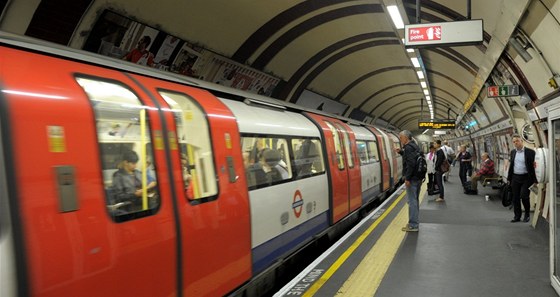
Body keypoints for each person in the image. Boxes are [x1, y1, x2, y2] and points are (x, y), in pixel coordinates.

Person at [507, 134, 537, 223]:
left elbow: (534, 167)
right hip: (515, 177)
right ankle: (517, 216)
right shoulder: (513, 152)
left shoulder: (530, 152)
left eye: (517, 141)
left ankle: (527, 214)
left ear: (521, 141)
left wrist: (535, 180)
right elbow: (511, 166)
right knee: (515, 198)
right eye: (514, 142)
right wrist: (509, 178)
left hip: (526, 178)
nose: (515, 143)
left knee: (524, 196)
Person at [395, 130, 421, 232]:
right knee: (415, 200)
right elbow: (412, 159)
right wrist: (401, 152)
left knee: (412, 201)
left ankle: (413, 225)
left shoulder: (408, 148)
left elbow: (411, 164)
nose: (400, 140)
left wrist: (407, 178)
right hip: (418, 177)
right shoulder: (414, 146)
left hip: (412, 178)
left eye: (401, 138)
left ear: (406, 138)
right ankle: (415, 222)